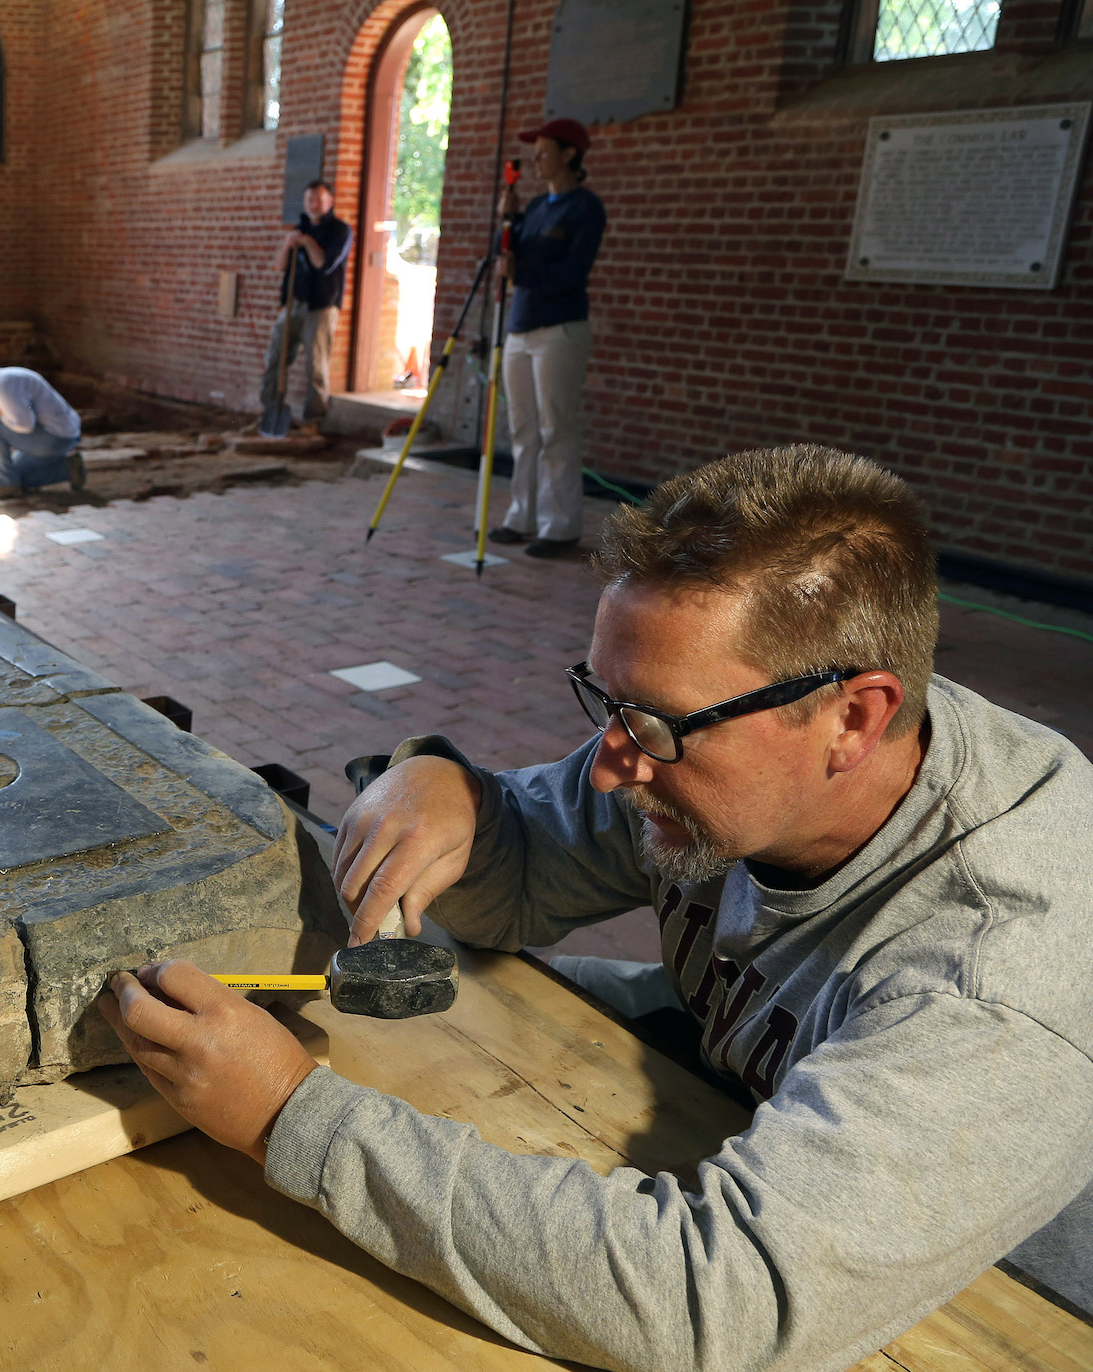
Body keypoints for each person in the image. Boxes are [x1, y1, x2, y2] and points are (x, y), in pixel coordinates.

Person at [99, 446, 1093, 1369]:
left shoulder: (997, 974)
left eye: (652, 724)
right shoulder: (741, 738)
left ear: (852, 717)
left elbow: (709, 1301)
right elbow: (523, 883)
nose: (611, 763)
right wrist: (453, 796)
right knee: (434, 997)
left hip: (998, 1289)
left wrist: (286, 1115)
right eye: (602, 699)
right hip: (734, 1097)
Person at [492, 118, 606, 560]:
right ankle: (521, 516)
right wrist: (508, 217)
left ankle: (559, 525)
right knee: (522, 429)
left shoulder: (585, 207)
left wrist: (525, 271)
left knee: (555, 428)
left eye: (544, 150)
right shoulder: (536, 207)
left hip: (559, 328)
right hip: (520, 327)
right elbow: (507, 258)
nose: (536, 158)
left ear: (570, 154)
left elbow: (574, 272)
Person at [260, 180, 352, 426]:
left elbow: (323, 264)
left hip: (321, 306)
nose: (314, 204)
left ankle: (315, 420)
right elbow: (279, 266)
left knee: (316, 365)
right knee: (275, 358)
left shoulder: (340, 231)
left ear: (330, 202)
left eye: (319, 200)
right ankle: (270, 411)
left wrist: (308, 243)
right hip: (294, 303)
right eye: (310, 200)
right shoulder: (298, 229)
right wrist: (286, 245)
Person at [0, 358, 86, 500]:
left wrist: (1, 417)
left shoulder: (5, 385)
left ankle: (6, 484)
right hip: (47, 437)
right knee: (15, 475)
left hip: (57, 437)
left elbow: (24, 425)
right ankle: (69, 469)